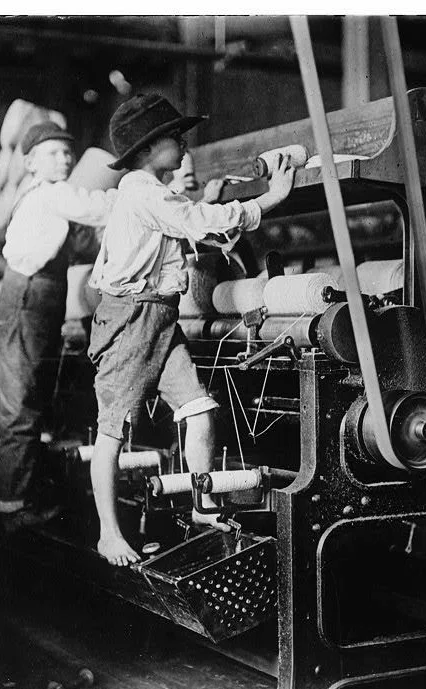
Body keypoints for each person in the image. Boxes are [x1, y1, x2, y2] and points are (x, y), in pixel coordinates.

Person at [88, 93, 295, 565]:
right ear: (145, 150)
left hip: (160, 317)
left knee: (199, 409)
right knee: (112, 432)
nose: (184, 144)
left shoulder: (154, 191)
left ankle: (202, 505)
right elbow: (201, 221)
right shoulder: (143, 191)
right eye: (173, 137)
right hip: (131, 320)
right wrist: (270, 199)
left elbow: (198, 220)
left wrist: (228, 201)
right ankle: (107, 533)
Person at [0, 121, 117, 530]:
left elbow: (78, 243)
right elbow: (100, 208)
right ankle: (13, 506)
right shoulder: (53, 193)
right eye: (52, 153)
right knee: (24, 401)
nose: (64, 159)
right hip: (31, 296)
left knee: (19, 399)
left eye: (67, 153)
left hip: (31, 294)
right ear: (29, 162)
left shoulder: (38, 198)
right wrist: (142, 194)